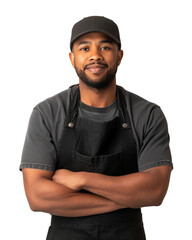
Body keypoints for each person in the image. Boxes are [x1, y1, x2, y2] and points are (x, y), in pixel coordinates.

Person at [20, 16, 173, 240]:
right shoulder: (47, 113)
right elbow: (37, 197)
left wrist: (81, 179)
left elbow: (155, 191)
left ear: (119, 56)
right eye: (85, 48)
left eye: (105, 47)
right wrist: (126, 197)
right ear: (72, 59)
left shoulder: (147, 114)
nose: (95, 55)